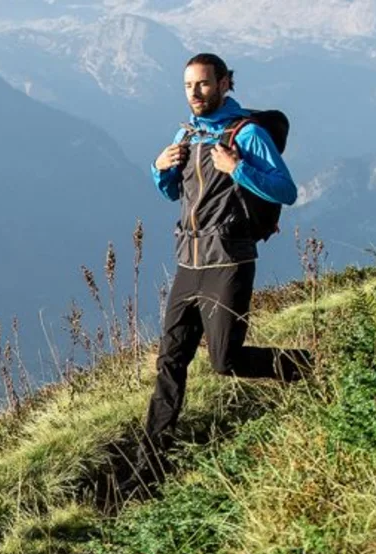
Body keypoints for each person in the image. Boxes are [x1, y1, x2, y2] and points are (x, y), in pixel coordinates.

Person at [143, 53, 311, 452]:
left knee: (225, 361)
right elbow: (174, 194)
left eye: (203, 84)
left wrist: (237, 168)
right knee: (170, 360)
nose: (195, 93)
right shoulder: (185, 135)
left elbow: (287, 191)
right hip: (189, 260)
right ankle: (151, 457)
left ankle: (306, 366)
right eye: (188, 86)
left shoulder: (247, 135)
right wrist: (159, 169)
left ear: (223, 84)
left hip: (229, 261)